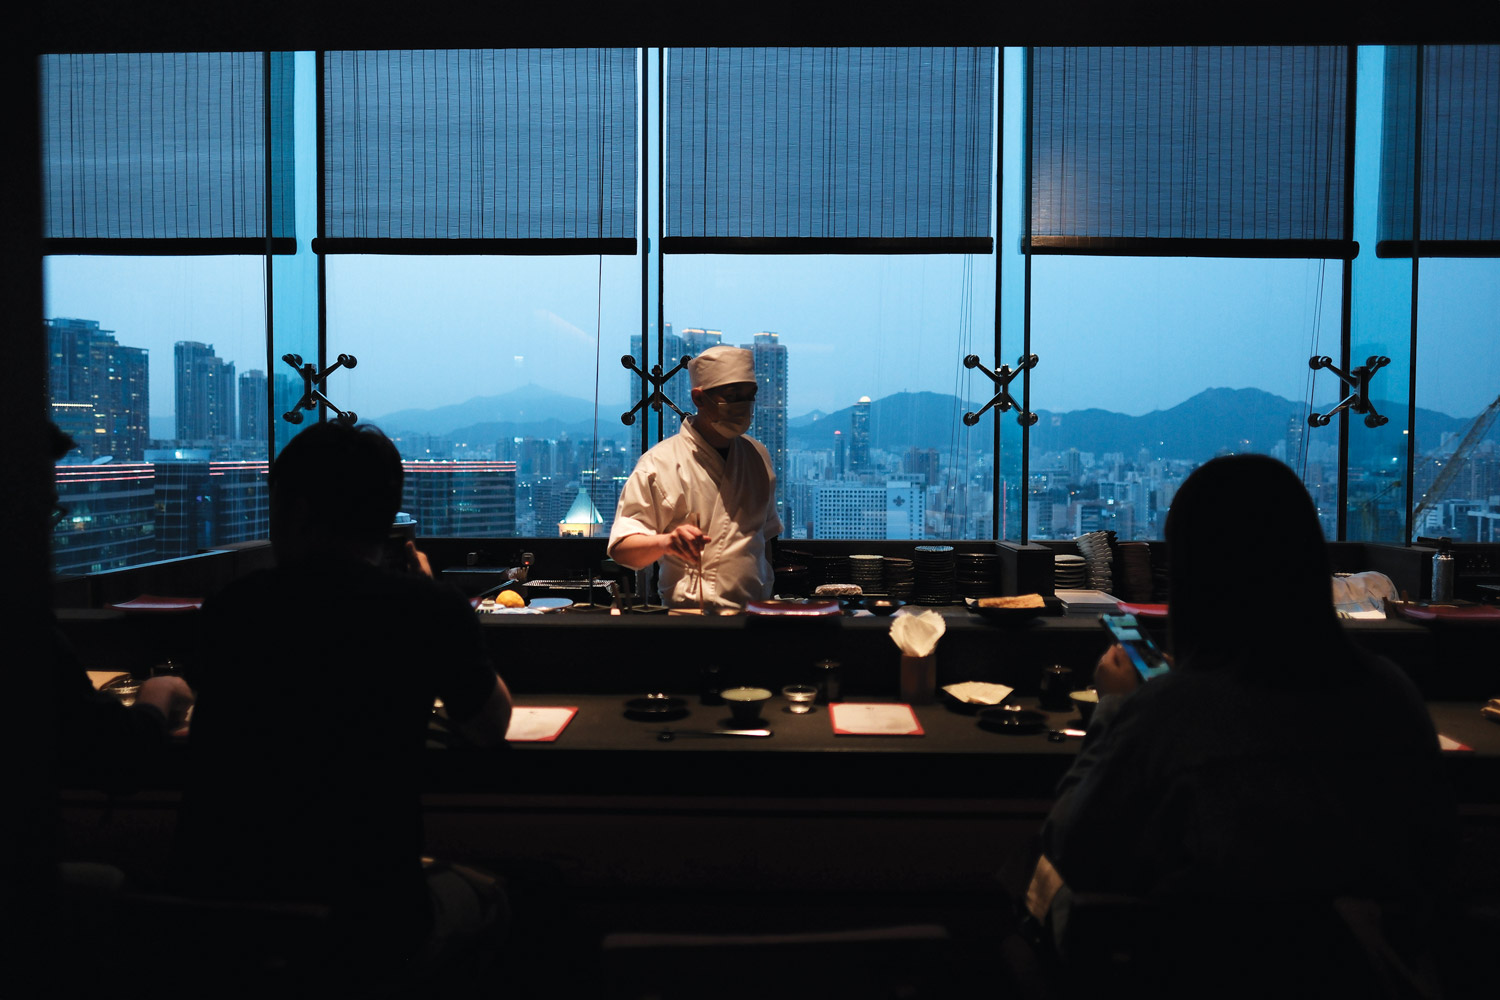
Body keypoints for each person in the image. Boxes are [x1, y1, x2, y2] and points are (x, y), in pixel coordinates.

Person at [1031, 455, 1454, 990]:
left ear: (1192, 582)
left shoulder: (1171, 714)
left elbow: (1072, 848)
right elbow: (1436, 854)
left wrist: (1117, 707)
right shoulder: (1392, 696)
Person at [172, 422, 512, 984]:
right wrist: (435, 600)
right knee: (498, 894)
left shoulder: (235, 607)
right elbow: (488, 728)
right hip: (369, 916)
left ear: (298, 510)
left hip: (215, 913)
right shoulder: (424, 609)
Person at [608, 345, 782, 610]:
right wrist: (665, 542)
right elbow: (622, 548)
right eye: (733, 396)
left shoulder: (757, 455)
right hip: (689, 616)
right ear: (699, 399)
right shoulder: (660, 463)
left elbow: (765, 538)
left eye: (750, 395)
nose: (744, 406)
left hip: (754, 615)